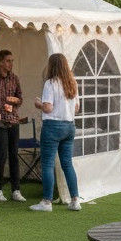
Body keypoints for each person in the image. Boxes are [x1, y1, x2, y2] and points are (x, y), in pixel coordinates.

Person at [30, 53, 81, 212]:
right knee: (67, 164)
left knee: (47, 164)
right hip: (69, 126)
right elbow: (77, 108)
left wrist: (38, 103)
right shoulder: (72, 83)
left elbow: (48, 108)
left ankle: (46, 202)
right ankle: (75, 200)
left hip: (52, 126)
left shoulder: (50, 83)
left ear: (52, 66)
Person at [0, 49, 25, 204]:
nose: (11, 64)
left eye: (12, 61)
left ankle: (16, 190)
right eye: (8, 61)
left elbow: (20, 98)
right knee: (1, 156)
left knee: (14, 156)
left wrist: (16, 101)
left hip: (13, 121)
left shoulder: (14, 78)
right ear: (0, 62)